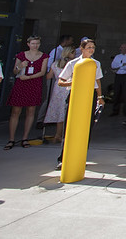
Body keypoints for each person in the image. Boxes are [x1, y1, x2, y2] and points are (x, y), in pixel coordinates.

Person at [57, 38, 105, 168]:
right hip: (75, 95)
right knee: (70, 127)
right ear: (82, 49)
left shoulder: (96, 63)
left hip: (90, 95)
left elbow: (98, 81)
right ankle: (64, 158)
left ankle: (81, 156)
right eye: (88, 47)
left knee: (86, 127)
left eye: (92, 47)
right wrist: (75, 82)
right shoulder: (73, 63)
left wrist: (100, 97)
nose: (91, 50)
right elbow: (60, 81)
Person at [4, 36, 48, 150]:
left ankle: (25, 138)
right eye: (33, 43)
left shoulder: (44, 56)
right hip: (20, 84)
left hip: (34, 84)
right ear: (28, 44)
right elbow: (15, 71)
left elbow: (42, 72)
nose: (35, 45)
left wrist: (28, 77)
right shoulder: (21, 55)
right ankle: (11, 139)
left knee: (31, 111)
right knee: (15, 111)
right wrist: (20, 66)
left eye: (37, 43)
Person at [36, 35, 74, 128]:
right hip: (58, 80)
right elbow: (49, 66)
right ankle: (42, 119)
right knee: (51, 99)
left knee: (58, 102)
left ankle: (55, 120)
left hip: (57, 80)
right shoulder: (56, 52)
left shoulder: (60, 62)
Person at [44, 46, 75, 143]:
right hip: (68, 87)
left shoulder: (55, 63)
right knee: (64, 111)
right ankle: (60, 134)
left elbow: (48, 76)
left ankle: (58, 134)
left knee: (58, 110)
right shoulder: (72, 65)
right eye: (73, 53)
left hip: (57, 88)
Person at [110, 43, 126, 117]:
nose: (121, 48)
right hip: (118, 75)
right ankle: (115, 111)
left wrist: (119, 66)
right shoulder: (118, 56)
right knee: (116, 93)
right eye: (121, 47)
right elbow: (113, 66)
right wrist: (122, 65)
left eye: (123, 47)